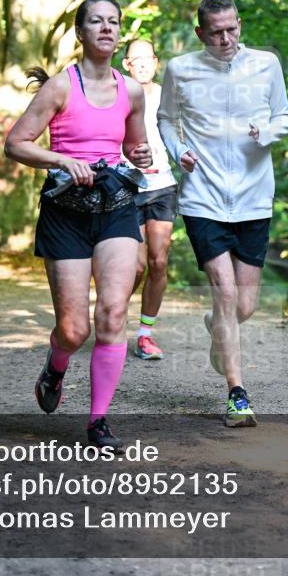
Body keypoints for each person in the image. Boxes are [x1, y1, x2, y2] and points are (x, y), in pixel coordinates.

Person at [4, 0, 152, 449]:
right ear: (80, 32)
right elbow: (16, 144)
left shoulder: (132, 90)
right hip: (65, 214)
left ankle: (98, 421)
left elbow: (134, 147)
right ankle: (56, 365)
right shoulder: (61, 87)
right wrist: (64, 161)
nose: (106, 29)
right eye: (96, 22)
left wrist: (139, 154)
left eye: (113, 22)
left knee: (112, 314)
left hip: (115, 209)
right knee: (75, 330)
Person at [157, 0, 288, 428]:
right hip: (203, 197)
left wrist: (266, 132)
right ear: (200, 33)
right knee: (228, 293)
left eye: (232, 28)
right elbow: (164, 119)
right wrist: (179, 152)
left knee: (244, 306)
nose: (226, 38)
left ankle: (217, 325)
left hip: (254, 197)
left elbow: (284, 117)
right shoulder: (181, 70)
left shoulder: (266, 63)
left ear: (240, 24)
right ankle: (237, 393)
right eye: (216, 32)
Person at [121, 39, 177, 361]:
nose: (142, 64)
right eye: (135, 59)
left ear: (156, 62)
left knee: (158, 261)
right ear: (126, 64)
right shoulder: (116, 94)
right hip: (127, 187)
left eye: (147, 58)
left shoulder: (169, 97)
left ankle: (144, 335)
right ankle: (112, 317)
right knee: (136, 267)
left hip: (162, 185)